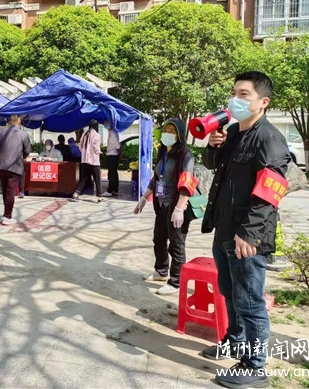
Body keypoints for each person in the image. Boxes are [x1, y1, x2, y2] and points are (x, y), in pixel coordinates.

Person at [200, 72, 291, 389]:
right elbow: (214, 167)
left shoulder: (269, 139)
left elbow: (271, 191)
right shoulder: (233, 132)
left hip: (247, 238)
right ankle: (235, 341)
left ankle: (255, 366)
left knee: (250, 302)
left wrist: (250, 234)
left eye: (244, 94)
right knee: (229, 292)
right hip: (224, 230)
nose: (235, 100)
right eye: (233, 93)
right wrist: (213, 147)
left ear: (263, 102)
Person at [134, 119, 194, 296]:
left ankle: (176, 281)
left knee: (176, 244)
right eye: (165, 130)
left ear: (180, 135)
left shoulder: (185, 155)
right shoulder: (163, 152)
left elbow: (187, 183)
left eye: (172, 131)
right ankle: (161, 271)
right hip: (161, 204)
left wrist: (179, 209)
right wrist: (144, 198)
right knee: (159, 239)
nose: (167, 134)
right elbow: (156, 178)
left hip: (176, 205)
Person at [0, 115, 32, 225]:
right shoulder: (23, 134)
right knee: (10, 191)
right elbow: (27, 150)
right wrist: (21, 156)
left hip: (2, 165)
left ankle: (6, 213)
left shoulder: (1, 131)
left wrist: (3, 152)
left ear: (10, 122)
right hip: (15, 165)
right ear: (19, 122)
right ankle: (7, 216)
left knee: (5, 190)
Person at [71, 120, 104, 203]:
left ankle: (76, 194)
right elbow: (96, 147)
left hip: (84, 160)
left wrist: (84, 153)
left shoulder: (84, 135)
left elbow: (80, 146)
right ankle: (100, 197)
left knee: (83, 179)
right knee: (97, 179)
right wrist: (99, 152)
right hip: (94, 161)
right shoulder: (97, 135)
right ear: (96, 126)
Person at [103, 120, 120, 197]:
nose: (105, 125)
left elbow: (117, 145)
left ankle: (110, 190)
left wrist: (119, 153)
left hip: (112, 155)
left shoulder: (113, 133)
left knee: (112, 173)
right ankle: (115, 189)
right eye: (104, 124)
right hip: (111, 155)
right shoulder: (111, 132)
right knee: (113, 173)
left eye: (106, 123)